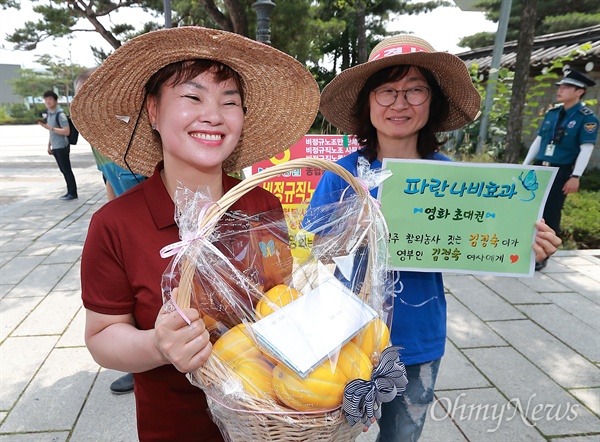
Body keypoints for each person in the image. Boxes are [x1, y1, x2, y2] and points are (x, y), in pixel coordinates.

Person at [304, 35, 562, 441]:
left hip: (417, 337)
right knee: (326, 433)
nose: (400, 103)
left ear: (432, 101)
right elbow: (311, 250)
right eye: (386, 90)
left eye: (415, 90)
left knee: (402, 435)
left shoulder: (454, 178)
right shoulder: (341, 174)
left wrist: (531, 247)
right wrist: (350, 233)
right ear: (367, 103)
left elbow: (490, 237)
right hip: (343, 334)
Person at [71, 27, 319, 441]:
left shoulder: (262, 206)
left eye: (230, 102)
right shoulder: (116, 224)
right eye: (192, 97)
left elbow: (283, 302)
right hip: (176, 428)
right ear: (153, 111)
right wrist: (157, 345)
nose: (214, 115)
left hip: (272, 423)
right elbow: (101, 337)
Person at [74, 68, 146, 395]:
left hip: (153, 223)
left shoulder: (132, 134)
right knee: (124, 302)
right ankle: (136, 363)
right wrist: (110, 222)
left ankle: (145, 363)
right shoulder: (95, 140)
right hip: (127, 227)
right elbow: (108, 181)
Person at [524, 69, 598, 270]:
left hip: (561, 171)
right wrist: (524, 166)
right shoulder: (552, 113)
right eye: (561, 86)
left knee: (551, 211)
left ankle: (543, 255)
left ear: (579, 91)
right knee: (530, 208)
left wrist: (575, 176)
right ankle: (525, 246)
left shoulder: (586, 118)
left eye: (566, 87)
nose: (561, 90)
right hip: (540, 167)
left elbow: (586, 148)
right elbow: (539, 141)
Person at [38, 90, 78, 201]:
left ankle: (73, 193)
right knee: (63, 170)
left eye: (50, 99)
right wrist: (49, 146)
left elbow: (66, 131)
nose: (48, 102)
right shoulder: (49, 114)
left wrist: (50, 128)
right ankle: (69, 191)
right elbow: (51, 133)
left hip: (62, 146)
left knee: (66, 169)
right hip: (55, 146)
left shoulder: (60, 115)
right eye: (46, 100)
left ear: (55, 100)